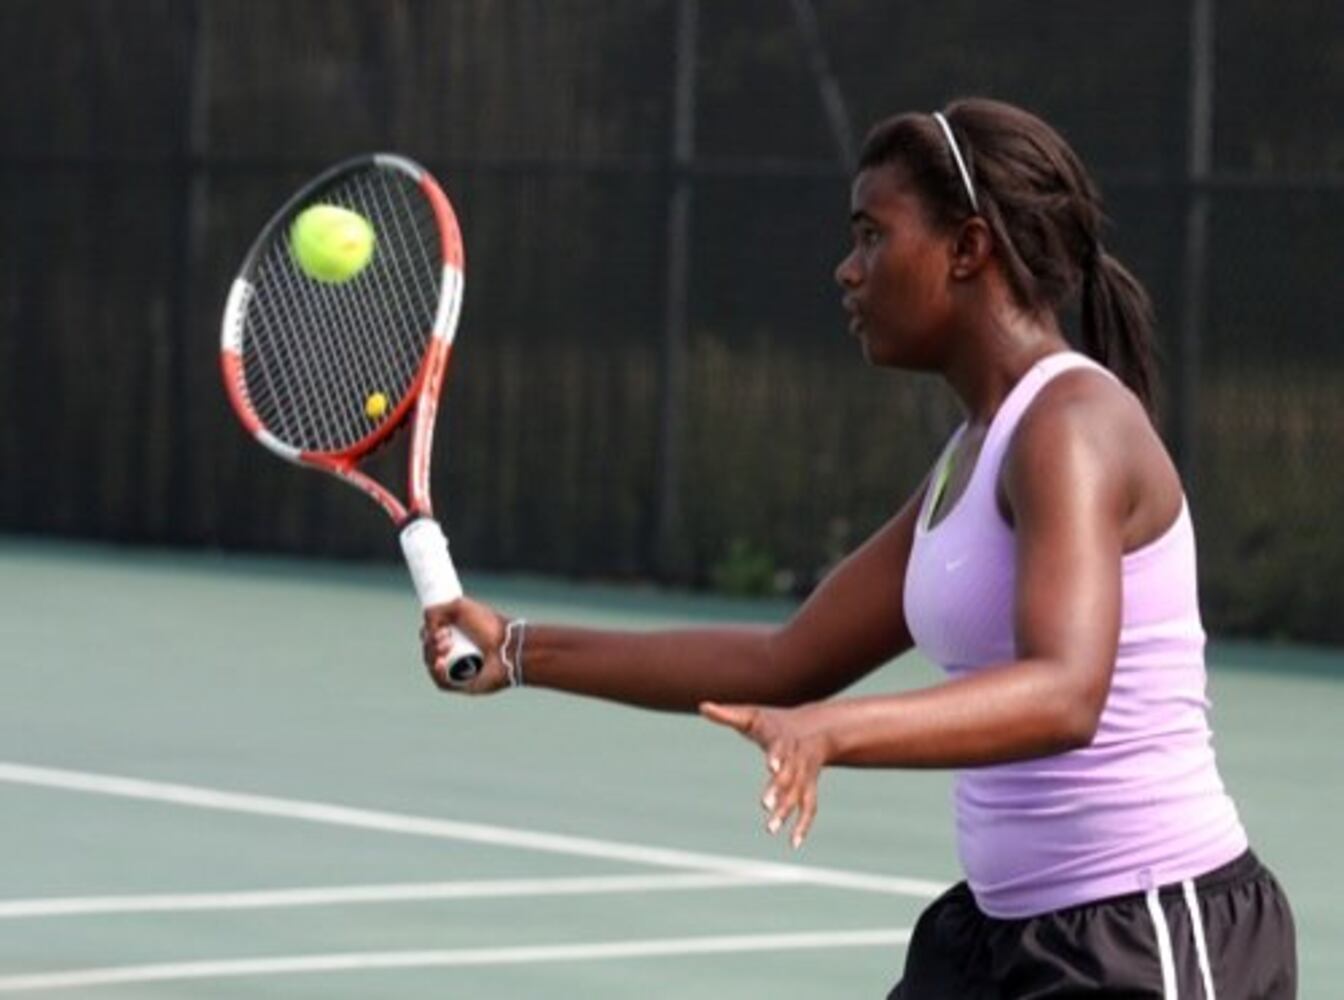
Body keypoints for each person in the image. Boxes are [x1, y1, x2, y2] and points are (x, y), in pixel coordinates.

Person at [420, 98, 1296, 998]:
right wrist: (520, 649)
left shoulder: (1072, 425)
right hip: (1009, 936)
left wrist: (833, 732)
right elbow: (783, 659)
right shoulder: (974, 453)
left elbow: (1066, 693)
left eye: (873, 236)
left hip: (1145, 934)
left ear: (968, 249)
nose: (847, 270)